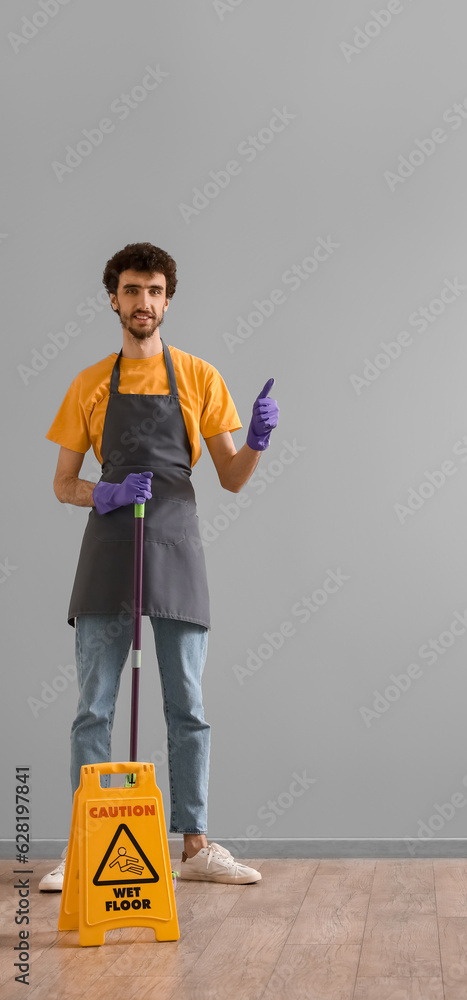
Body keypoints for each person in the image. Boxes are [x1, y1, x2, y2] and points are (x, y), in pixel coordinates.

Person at [40, 242, 279, 890]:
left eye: (152, 291)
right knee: (94, 706)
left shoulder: (199, 376)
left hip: (175, 545)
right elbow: (63, 481)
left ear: (166, 300)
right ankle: (87, 846)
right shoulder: (90, 383)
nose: (142, 302)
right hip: (109, 550)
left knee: (188, 706)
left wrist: (255, 441)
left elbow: (229, 477)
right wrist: (105, 492)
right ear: (112, 299)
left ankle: (195, 846)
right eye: (130, 290)